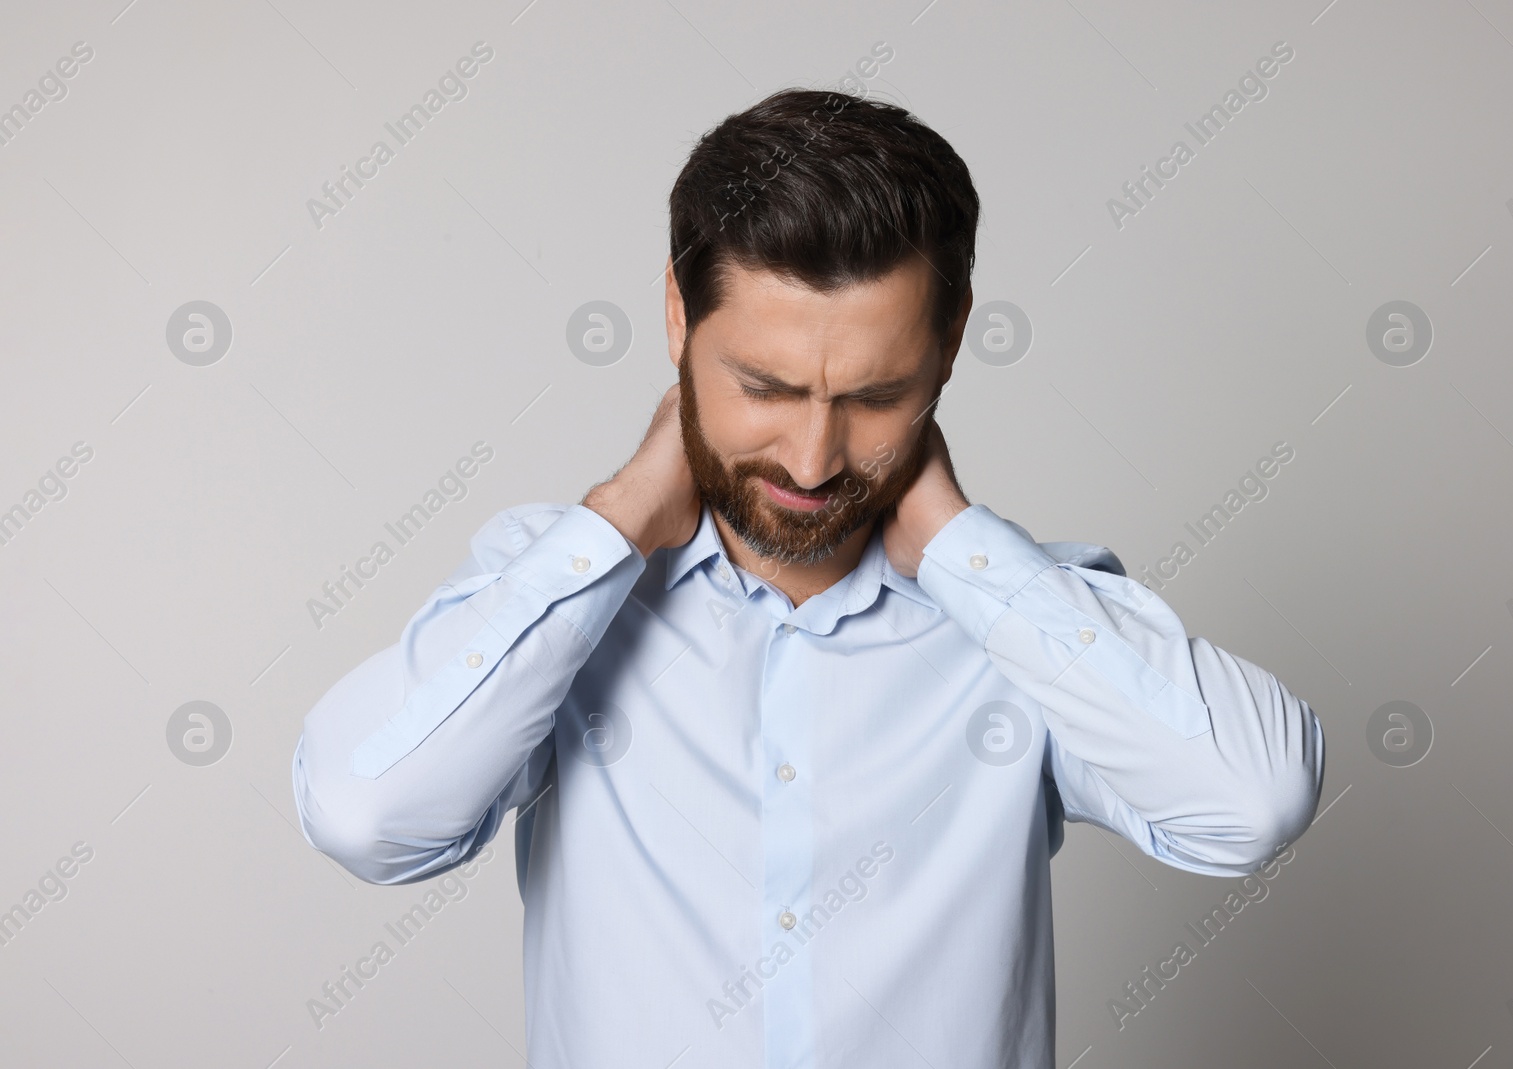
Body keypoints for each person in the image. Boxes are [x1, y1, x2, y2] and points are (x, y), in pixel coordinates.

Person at [292, 86, 1325, 1067]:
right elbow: (365, 813)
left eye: (877, 394)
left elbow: (1252, 799)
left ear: (952, 340)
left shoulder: (1025, 625)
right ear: (674, 318)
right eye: (764, 387)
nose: (814, 458)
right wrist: (614, 520)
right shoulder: (561, 602)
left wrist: (960, 545)